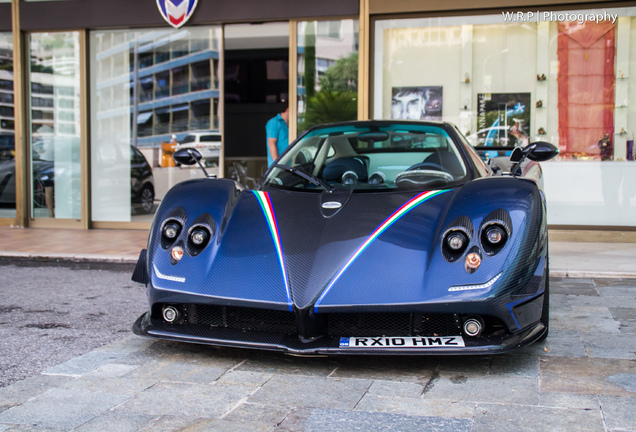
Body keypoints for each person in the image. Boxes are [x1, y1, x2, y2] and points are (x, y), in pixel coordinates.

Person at [266, 101, 289, 166]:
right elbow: (271, 143)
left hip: (288, 165)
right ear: (288, 109)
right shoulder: (274, 122)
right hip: (279, 167)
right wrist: (278, 164)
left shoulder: (290, 124)